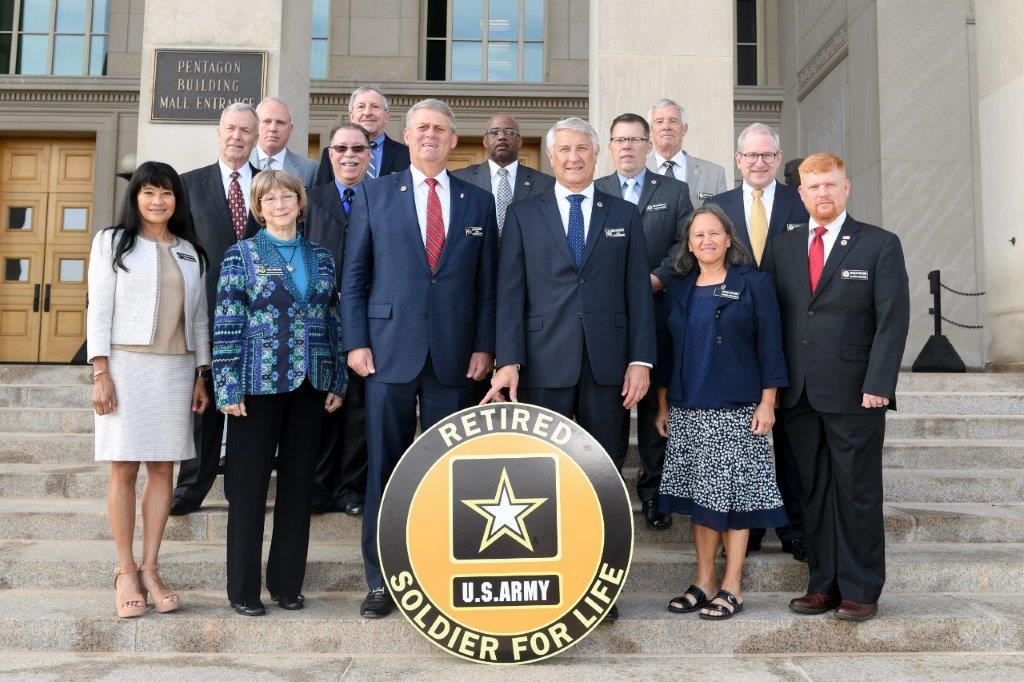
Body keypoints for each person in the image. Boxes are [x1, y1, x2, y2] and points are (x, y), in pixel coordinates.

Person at [484, 117, 655, 621]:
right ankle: (547, 576)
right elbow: (509, 293)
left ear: (596, 154)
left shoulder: (623, 212)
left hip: (608, 367)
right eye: (565, 150)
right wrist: (507, 361)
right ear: (551, 157)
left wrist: (641, 359)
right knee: (543, 475)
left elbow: (637, 295)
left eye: (583, 149)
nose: (574, 158)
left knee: (603, 474)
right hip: (542, 363)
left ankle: (601, 584)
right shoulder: (523, 213)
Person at [341, 98, 497, 619]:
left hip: (455, 359)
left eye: (441, 129)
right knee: (384, 466)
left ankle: (439, 569)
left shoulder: (478, 203)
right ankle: (382, 578)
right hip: (386, 354)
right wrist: (356, 341)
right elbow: (355, 278)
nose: (431, 135)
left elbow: (488, 287)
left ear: (454, 141)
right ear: (407, 136)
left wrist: (484, 346)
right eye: (422, 128)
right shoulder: (373, 193)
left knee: (448, 472)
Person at [763, 152, 910, 622]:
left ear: (846, 188)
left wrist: (879, 384)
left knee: (857, 490)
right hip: (798, 393)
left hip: (855, 392)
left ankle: (862, 587)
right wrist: (772, 384)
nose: (822, 193)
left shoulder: (879, 244)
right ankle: (822, 584)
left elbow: (893, 320)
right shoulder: (782, 246)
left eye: (830, 185)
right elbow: (772, 318)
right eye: (813, 186)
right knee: (814, 491)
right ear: (800, 193)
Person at [655, 122, 810, 560]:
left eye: (766, 156)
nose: (758, 163)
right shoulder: (717, 207)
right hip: (732, 333)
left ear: (778, 159)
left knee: (787, 444)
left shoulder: (798, 205)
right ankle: (752, 529)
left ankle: (793, 526)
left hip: (789, 333)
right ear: (738, 160)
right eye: (749, 156)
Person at [213, 169, 346, 617]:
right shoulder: (242, 255)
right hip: (256, 385)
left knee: (297, 491)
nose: (280, 205)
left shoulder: (322, 256)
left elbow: (333, 321)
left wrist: (337, 379)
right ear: (259, 207)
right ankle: (243, 590)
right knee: (248, 491)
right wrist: (226, 383)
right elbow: (228, 321)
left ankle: (287, 584)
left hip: (310, 384)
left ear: (300, 202)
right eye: (270, 199)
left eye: (287, 196)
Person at [87, 161, 212, 617]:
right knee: (123, 467)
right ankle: (124, 570)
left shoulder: (191, 252)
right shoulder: (113, 242)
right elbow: (98, 306)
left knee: (163, 468)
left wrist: (202, 372)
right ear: (136, 197)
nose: (158, 201)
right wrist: (101, 371)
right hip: (126, 364)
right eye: (149, 192)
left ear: (177, 200)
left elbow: (198, 318)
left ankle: (151, 567)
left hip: (175, 370)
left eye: (166, 193)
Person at [654, 204, 789, 620]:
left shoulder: (753, 284)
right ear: (688, 245)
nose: (706, 241)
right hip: (689, 406)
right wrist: (663, 403)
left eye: (714, 234)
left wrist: (769, 401)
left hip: (737, 408)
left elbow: (770, 345)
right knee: (701, 499)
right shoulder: (679, 288)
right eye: (698, 235)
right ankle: (704, 580)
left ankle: (732, 584)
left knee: (735, 499)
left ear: (729, 239)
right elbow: (667, 350)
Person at [594, 112, 693, 531]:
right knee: (608, 407)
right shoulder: (595, 190)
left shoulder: (673, 191)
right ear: (610, 147)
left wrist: (657, 277)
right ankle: (605, 492)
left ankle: (655, 494)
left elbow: (683, 241)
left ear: (649, 144)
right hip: (605, 320)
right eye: (619, 140)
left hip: (657, 314)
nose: (627, 147)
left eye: (635, 140)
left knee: (655, 408)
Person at [172, 103, 261, 516]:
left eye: (245, 130)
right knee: (204, 407)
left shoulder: (271, 185)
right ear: (218, 133)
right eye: (230, 128)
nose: (237, 136)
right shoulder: (189, 185)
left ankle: (243, 490)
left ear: (257, 138)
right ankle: (191, 486)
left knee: (250, 410)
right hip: (206, 312)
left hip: (261, 317)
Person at [304, 121, 373, 517]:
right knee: (320, 404)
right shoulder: (309, 200)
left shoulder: (382, 198)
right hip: (320, 320)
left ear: (369, 155)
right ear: (329, 154)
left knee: (358, 407)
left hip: (366, 321)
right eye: (341, 148)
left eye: (358, 149)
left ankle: (351, 488)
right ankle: (317, 484)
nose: (349, 155)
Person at [452, 113, 554, 236]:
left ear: (520, 141)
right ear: (485, 141)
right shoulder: (459, 180)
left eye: (510, 132)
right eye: (495, 132)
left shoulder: (546, 184)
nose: (502, 137)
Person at [312, 85, 411, 186]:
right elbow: (323, 196)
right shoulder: (333, 153)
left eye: (375, 106)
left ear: (386, 116)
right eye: (361, 106)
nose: (367, 112)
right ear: (351, 116)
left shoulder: (407, 154)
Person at [649, 98, 728, 207]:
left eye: (673, 121)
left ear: (684, 129)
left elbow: (721, 219)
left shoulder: (714, 174)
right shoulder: (638, 172)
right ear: (651, 131)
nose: (666, 127)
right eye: (659, 122)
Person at [250, 96, 318, 185]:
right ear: (256, 125)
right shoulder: (239, 162)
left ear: (291, 129)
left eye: (280, 122)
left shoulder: (310, 169)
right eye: (267, 121)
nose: (273, 128)